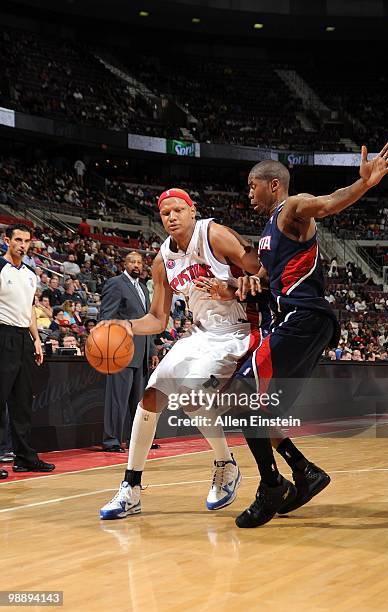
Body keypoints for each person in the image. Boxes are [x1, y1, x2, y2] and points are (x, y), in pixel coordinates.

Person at [230, 138, 388, 528]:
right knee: (259, 414)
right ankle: (305, 473)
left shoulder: (292, 207)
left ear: (273, 184)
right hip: (297, 322)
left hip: (302, 318)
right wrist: (242, 284)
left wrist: (363, 185)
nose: (249, 193)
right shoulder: (270, 230)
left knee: (240, 398)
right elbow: (268, 275)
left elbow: (327, 203)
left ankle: (271, 487)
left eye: (252, 185)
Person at [98, 188, 265, 519]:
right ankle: (131, 488)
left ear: (192, 211)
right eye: (165, 213)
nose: (171, 217)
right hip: (201, 334)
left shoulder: (214, 235)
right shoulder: (162, 260)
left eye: (177, 210)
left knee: (191, 395)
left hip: (237, 332)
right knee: (149, 399)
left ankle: (225, 464)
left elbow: (262, 271)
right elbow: (158, 320)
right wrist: (124, 326)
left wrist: (234, 288)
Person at [0, 224, 55, 477]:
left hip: (23, 338)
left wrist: (35, 339)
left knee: (22, 402)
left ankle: (24, 458)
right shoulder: (0, 268)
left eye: (26, 241)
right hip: (3, 334)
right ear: (7, 240)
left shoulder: (31, 274)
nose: (22, 244)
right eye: (18, 240)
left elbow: (30, 309)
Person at [100, 251, 159, 453]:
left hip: (142, 353)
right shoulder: (116, 284)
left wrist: (151, 350)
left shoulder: (143, 288)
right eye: (132, 261)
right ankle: (112, 441)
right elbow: (105, 317)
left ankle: (139, 440)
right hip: (121, 352)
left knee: (139, 402)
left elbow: (148, 323)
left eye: (139, 262)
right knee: (117, 400)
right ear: (124, 264)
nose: (136, 265)